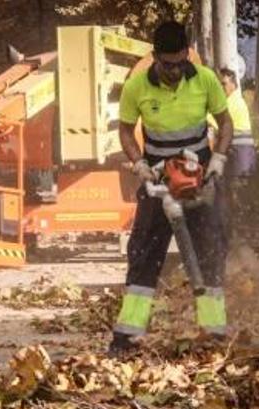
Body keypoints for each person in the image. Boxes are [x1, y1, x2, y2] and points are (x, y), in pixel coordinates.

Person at [109, 20, 234, 355]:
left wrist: (218, 160)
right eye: (168, 65)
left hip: (199, 174)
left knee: (210, 250)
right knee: (144, 254)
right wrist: (139, 164)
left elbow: (225, 123)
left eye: (181, 64)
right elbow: (124, 130)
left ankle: (214, 331)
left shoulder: (205, 79)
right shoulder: (136, 87)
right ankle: (126, 336)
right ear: (155, 57)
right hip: (159, 177)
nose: (176, 72)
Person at [217, 67, 256, 179]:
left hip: (240, 154)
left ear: (233, 85)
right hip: (238, 153)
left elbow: (211, 125)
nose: (220, 87)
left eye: (224, 84)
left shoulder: (232, 103)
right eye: (218, 84)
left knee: (237, 190)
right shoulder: (230, 101)